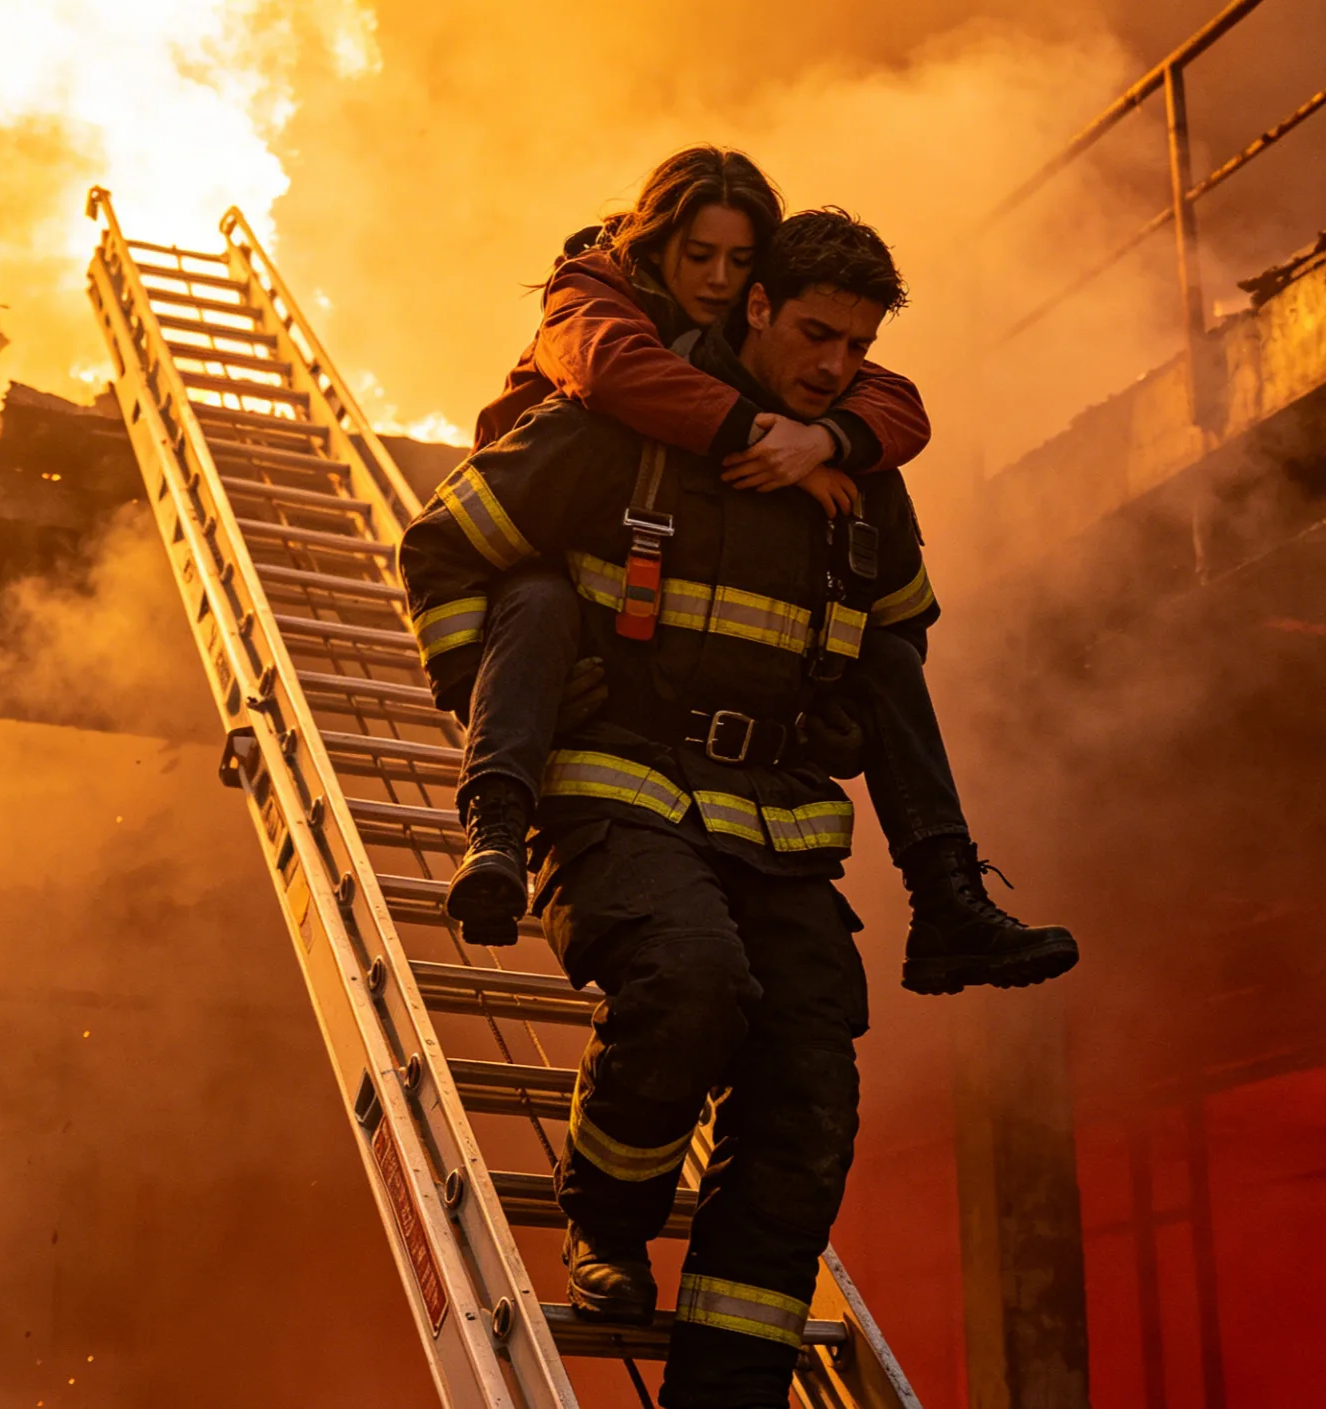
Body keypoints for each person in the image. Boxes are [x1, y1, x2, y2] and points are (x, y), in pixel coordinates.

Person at [401, 209, 1022, 1407]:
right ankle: (609, 1215)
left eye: (858, 344)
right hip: (616, 793)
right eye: (813, 332)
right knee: (690, 984)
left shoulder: (858, 475)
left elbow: (896, 646)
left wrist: (838, 472)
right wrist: (483, 697)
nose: (836, 364)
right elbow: (441, 548)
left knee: (807, 1095)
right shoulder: (606, 437)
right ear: (749, 308)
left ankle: (726, 1388)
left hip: (777, 823)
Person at [431, 146, 1075, 994]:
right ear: (653, 243)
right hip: (551, 552)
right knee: (539, 599)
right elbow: (616, 374)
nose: (718, 278)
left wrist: (831, 437)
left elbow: (895, 400)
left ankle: (946, 898)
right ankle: (494, 829)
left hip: (754, 794)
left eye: (740, 261)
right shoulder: (593, 304)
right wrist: (775, 441)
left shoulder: (793, 360)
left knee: (883, 657)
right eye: (700, 256)